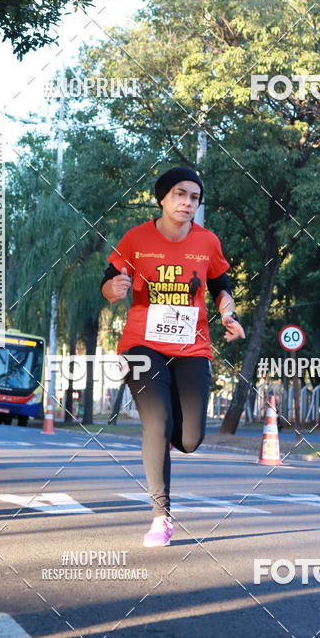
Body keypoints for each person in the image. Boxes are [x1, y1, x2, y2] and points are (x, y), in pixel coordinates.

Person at [101, 167, 245, 547]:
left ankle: (161, 439)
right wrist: (113, 289)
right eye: (180, 194)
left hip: (191, 346)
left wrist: (228, 314)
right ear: (162, 198)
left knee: (191, 439)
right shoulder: (136, 238)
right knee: (158, 422)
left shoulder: (207, 242)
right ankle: (160, 518)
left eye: (194, 197)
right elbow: (110, 281)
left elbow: (220, 284)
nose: (187, 202)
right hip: (141, 344)